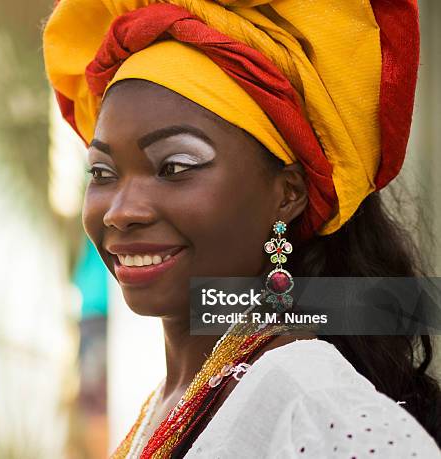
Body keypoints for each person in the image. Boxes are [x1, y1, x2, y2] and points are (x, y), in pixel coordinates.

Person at [43, 1, 441, 457]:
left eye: (174, 166)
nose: (120, 211)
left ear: (287, 194)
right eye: (102, 173)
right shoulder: (176, 398)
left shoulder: (312, 406)